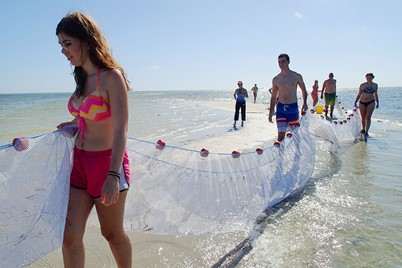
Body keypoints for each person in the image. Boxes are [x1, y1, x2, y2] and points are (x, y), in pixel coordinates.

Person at [56, 12, 132, 268]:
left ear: (86, 41)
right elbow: (88, 119)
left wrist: (113, 175)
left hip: (107, 164)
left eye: (68, 44)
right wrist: (73, 124)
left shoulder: (112, 77)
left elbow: (121, 129)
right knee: (69, 237)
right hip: (79, 164)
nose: (64, 51)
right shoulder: (81, 80)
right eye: (61, 46)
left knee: (111, 233)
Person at [268, 53, 308, 142]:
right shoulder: (276, 79)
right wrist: (271, 111)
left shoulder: (296, 76)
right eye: (279, 62)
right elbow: (273, 96)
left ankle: (297, 155)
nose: (281, 64)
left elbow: (304, 91)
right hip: (281, 108)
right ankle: (280, 155)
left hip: (292, 107)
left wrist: (304, 103)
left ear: (288, 61)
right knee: (280, 136)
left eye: (283, 61)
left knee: (295, 135)